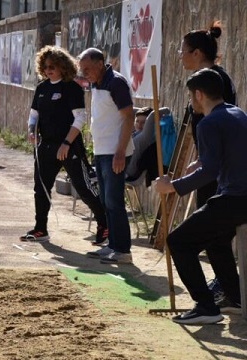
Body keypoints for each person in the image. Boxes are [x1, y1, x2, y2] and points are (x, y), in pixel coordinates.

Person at [155, 69, 245, 324]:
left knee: (179, 242)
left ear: (199, 94)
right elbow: (221, 158)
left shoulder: (208, 123)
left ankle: (206, 307)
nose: (191, 102)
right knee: (216, 241)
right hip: (240, 196)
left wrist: (172, 186)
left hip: (235, 198)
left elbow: (211, 171)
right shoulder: (237, 113)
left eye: (191, 97)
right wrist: (200, 163)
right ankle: (236, 298)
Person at [20, 46, 108, 245]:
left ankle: (104, 223)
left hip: (69, 147)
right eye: (45, 66)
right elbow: (34, 115)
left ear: (63, 66)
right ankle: (40, 228)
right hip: (46, 147)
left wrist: (66, 143)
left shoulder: (71, 88)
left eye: (53, 66)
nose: (48, 69)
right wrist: (32, 130)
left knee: (83, 187)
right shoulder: (42, 88)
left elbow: (80, 118)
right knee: (41, 188)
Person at [179, 21, 239, 306]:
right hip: (217, 169)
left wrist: (178, 184)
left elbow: (220, 132)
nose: (180, 55)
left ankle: (227, 292)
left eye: (184, 50)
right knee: (215, 239)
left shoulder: (214, 82)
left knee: (209, 237)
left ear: (198, 53)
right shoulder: (209, 80)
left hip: (225, 180)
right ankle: (230, 290)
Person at [78, 48, 134, 265]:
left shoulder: (116, 82)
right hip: (102, 151)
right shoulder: (97, 82)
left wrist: (120, 152)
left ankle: (123, 250)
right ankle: (112, 245)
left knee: (114, 201)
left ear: (100, 63)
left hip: (114, 152)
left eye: (88, 69)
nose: (85, 74)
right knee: (105, 200)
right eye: (82, 70)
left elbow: (129, 117)